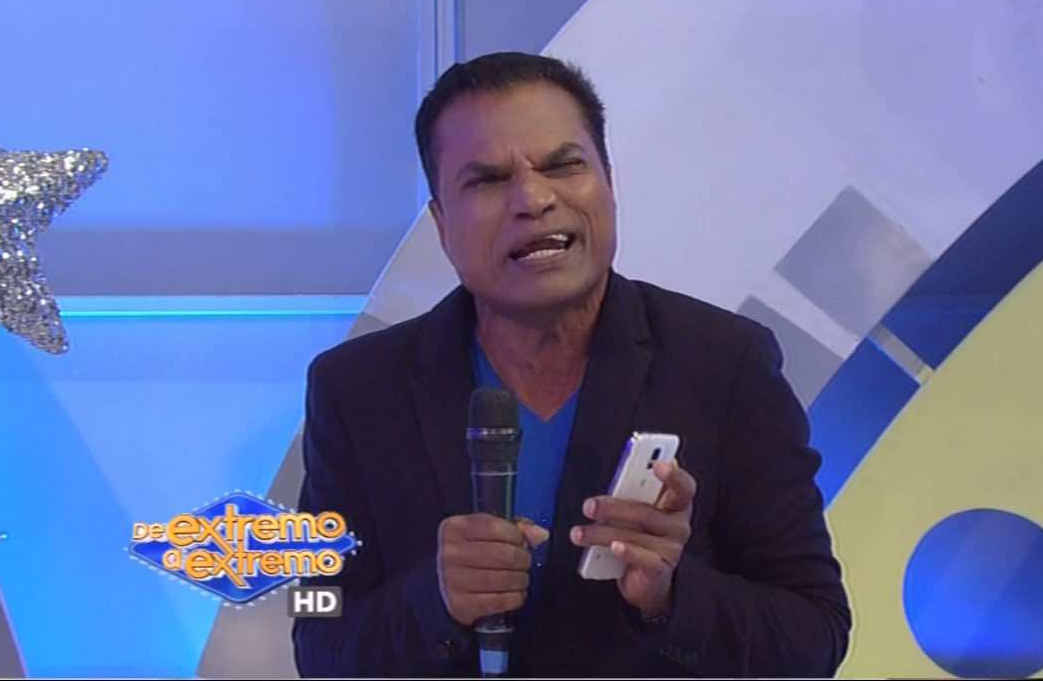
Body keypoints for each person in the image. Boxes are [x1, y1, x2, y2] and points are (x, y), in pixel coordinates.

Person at [292, 52, 851, 678]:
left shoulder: (726, 363)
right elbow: (318, 635)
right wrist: (435, 600)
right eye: (488, 180)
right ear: (441, 225)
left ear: (609, 184)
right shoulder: (356, 389)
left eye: (563, 166)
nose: (533, 199)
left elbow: (815, 635)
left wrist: (670, 597)